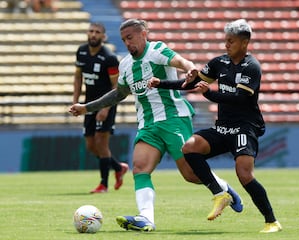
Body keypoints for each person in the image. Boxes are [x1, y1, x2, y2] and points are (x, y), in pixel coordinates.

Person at [69, 18, 243, 232]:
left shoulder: (156, 50)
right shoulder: (125, 65)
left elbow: (180, 62)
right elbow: (118, 94)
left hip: (172, 119)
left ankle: (224, 189)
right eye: (124, 40)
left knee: (190, 174)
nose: (127, 43)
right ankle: (146, 218)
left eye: (130, 38)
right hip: (148, 125)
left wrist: (190, 69)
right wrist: (87, 107)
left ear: (143, 34)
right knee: (140, 168)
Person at [149, 19, 282, 233]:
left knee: (245, 175)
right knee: (189, 147)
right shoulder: (219, 62)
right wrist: (161, 84)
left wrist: (209, 94)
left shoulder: (252, 67)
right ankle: (220, 194)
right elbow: (192, 83)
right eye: (225, 40)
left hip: (244, 128)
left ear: (245, 43)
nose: (226, 45)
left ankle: (271, 221)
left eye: (231, 41)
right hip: (223, 127)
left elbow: (240, 99)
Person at [73, 22, 129, 194]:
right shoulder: (81, 51)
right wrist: (75, 101)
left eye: (97, 32)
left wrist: (105, 108)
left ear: (103, 37)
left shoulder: (109, 57)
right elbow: (78, 77)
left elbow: (116, 87)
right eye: (91, 31)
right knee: (90, 145)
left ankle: (103, 185)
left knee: (101, 143)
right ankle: (118, 167)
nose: (93, 34)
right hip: (88, 105)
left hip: (106, 105)